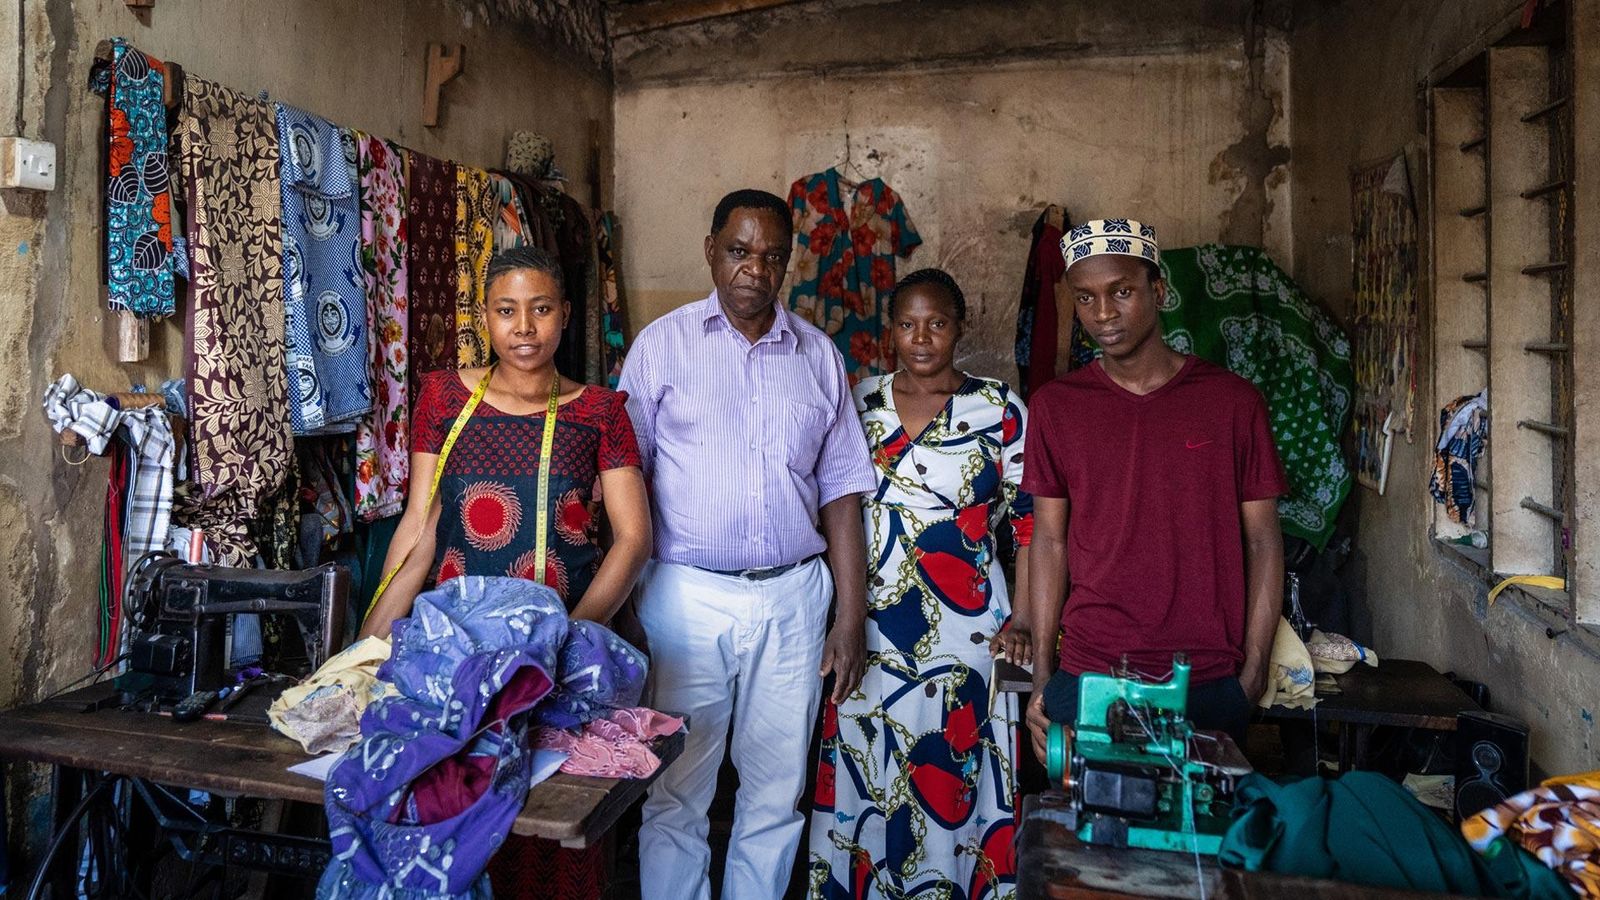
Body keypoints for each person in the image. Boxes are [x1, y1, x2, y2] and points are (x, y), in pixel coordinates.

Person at [358, 245, 652, 899]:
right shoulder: (442, 396)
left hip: (558, 658)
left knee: (553, 833)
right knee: (446, 820)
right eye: (507, 311)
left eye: (541, 310)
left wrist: (569, 638)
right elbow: (420, 525)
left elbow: (632, 539)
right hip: (455, 655)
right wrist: (370, 640)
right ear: (484, 318)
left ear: (566, 316)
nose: (524, 327)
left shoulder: (600, 411)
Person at [619, 189, 877, 900]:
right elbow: (623, 482)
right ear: (711, 250)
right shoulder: (661, 347)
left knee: (774, 795)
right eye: (738, 251)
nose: (753, 269)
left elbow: (843, 494)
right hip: (685, 599)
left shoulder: (818, 357)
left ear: (786, 263)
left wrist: (850, 620)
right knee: (676, 790)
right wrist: (623, 606)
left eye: (769, 255)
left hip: (794, 598)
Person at [1022, 218, 1287, 758]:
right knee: (1090, 835)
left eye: (1122, 292)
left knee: (1200, 837)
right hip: (1090, 673)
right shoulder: (1057, 407)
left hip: (1208, 678)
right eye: (1086, 298)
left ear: (1158, 291)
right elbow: (1048, 541)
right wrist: (1045, 679)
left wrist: (1254, 669)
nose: (1103, 314)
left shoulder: (1233, 403)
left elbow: (1263, 540)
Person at [808, 268, 1033, 900]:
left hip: (965, 630)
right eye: (907, 324)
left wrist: (1028, 620)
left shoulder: (1000, 409)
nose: (922, 338)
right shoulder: (858, 403)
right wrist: (842, 617)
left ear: (960, 328)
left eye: (937, 323)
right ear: (890, 332)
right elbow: (833, 505)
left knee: (952, 762)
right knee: (866, 761)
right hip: (866, 621)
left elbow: (1032, 527)